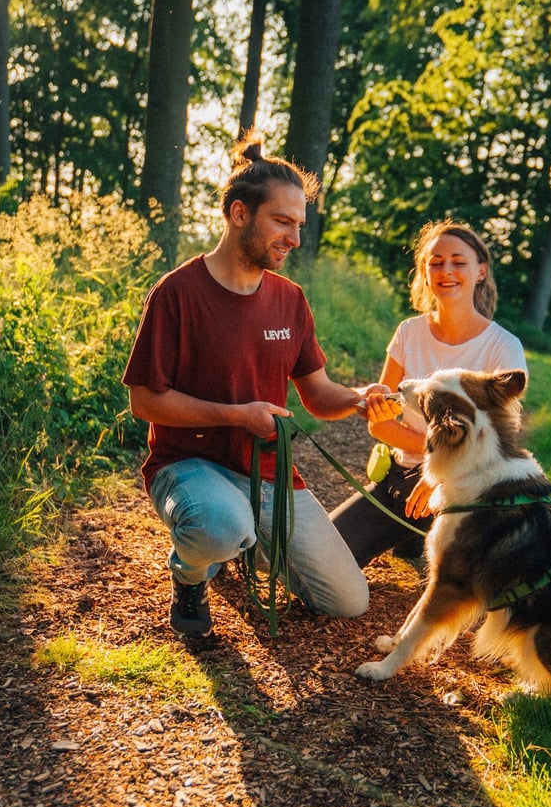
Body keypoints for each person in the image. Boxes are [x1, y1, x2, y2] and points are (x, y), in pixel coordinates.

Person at [122, 130, 390, 637]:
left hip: (267, 474)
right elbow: (144, 401)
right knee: (219, 527)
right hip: (188, 465)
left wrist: (359, 399)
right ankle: (193, 569)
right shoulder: (176, 293)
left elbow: (317, 394)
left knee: (348, 600)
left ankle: (238, 538)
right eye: (282, 222)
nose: (293, 237)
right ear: (239, 213)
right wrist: (236, 414)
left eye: (299, 225)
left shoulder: (290, 299)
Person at [330, 218, 527, 567]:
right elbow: (380, 424)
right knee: (322, 558)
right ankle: (408, 535)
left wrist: (440, 472)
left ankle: (416, 541)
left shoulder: (504, 348)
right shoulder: (408, 333)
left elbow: (503, 445)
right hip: (402, 482)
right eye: (436, 262)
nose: (446, 270)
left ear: (480, 272)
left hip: (468, 492)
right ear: (425, 270)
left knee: (474, 586)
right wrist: (436, 460)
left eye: (458, 261)